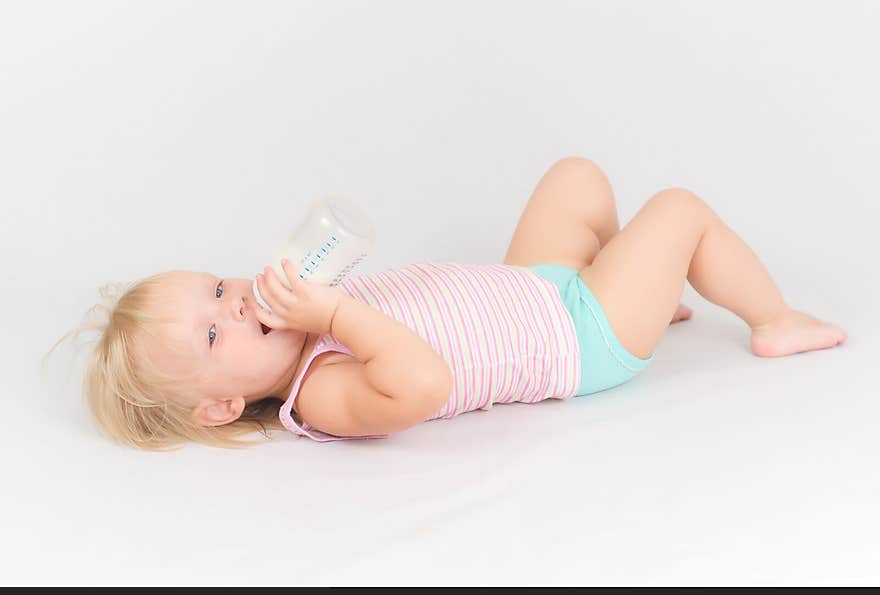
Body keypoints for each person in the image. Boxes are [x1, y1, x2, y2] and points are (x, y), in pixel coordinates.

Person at [55, 157, 846, 450]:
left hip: (527, 290)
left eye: (217, 289)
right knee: (678, 209)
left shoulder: (296, 313)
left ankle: (646, 287)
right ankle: (773, 320)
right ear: (224, 406)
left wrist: (320, 291)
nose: (232, 304)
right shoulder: (320, 393)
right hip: (575, 337)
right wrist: (329, 316)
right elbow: (424, 382)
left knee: (575, 177)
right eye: (212, 333)